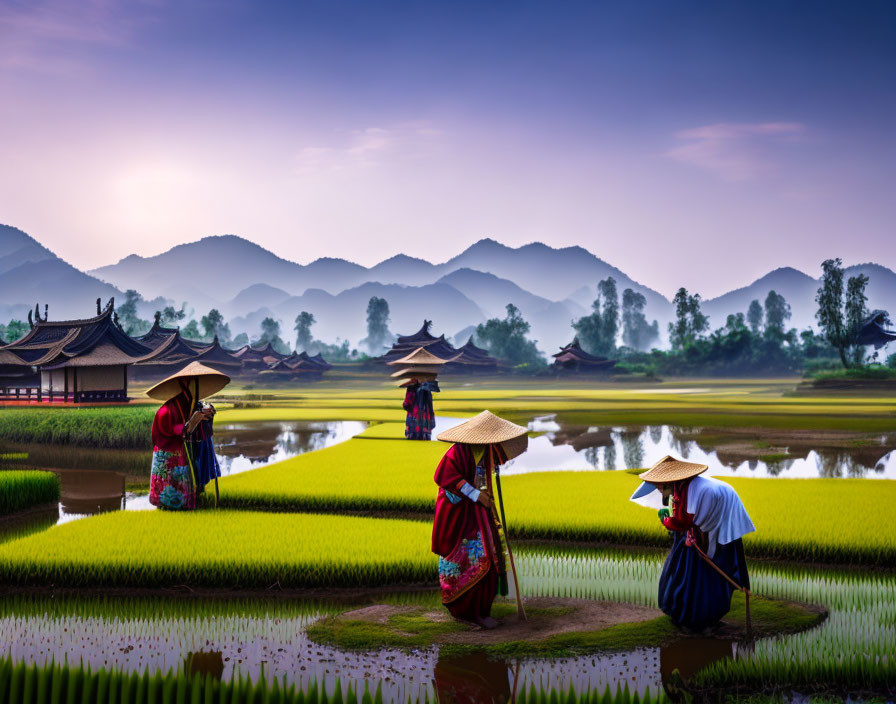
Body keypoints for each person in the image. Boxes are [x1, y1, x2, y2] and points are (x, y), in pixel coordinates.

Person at [630, 455, 755, 632]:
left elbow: (686, 521)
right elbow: (680, 514)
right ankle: (689, 615)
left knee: (702, 575)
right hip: (701, 529)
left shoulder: (698, 490)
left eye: (659, 484)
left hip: (718, 531)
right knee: (684, 569)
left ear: (671, 481)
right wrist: (670, 518)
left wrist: (667, 521)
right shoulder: (679, 488)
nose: (658, 488)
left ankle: (701, 620)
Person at [432, 411, 528, 628]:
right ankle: (470, 611)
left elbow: (486, 475)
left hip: (480, 511)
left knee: (491, 556)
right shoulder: (456, 453)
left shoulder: (486, 451)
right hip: (459, 515)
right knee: (472, 558)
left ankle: (483, 610)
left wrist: (484, 497)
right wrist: (476, 495)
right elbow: (445, 477)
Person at [146, 362, 230, 511]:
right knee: (168, 481)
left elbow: (193, 419)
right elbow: (182, 430)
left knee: (180, 480)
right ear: (186, 385)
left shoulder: (189, 404)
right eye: (193, 384)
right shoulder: (170, 409)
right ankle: (170, 506)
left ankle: (184, 503)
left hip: (177, 448)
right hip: (167, 449)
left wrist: (206, 414)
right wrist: (194, 420)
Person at [401, 374, 439, 440]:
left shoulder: (411, 389)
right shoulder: (428, 389)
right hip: (426, 423)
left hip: (414, 422)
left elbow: (406, 405)